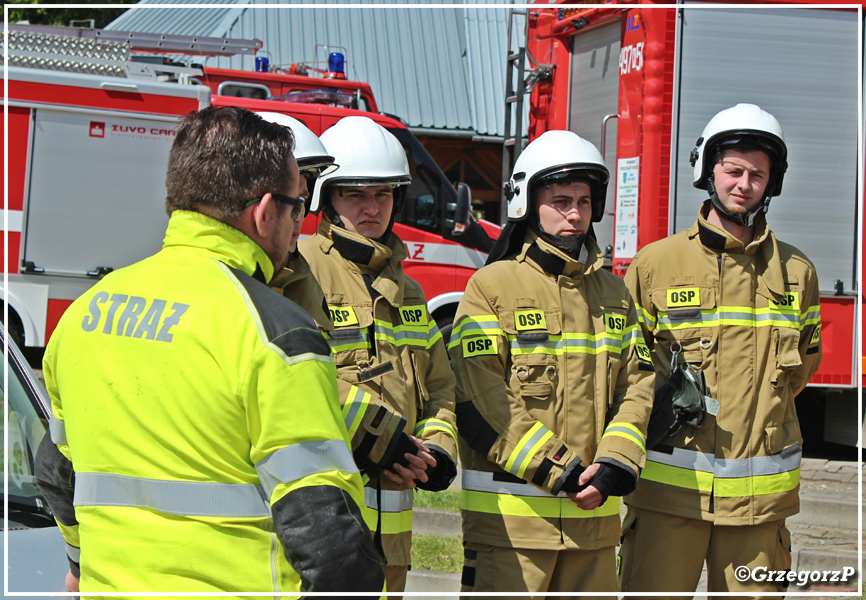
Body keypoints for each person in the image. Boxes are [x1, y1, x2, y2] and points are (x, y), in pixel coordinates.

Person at [34, 106, 384, 596]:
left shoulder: (84, 315)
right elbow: (330, 539)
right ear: (264, 212)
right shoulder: (275, 332)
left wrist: (81, 564)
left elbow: (57, 473)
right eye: (297, 207)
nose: (299, 224)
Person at [619, 103, 823, 596]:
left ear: (771, 183)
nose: (743, 184)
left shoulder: (798, 273)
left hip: (760, 509)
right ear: (707, 172)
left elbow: (801, 368)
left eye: (758, 174)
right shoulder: (655, 264)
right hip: (668, 499)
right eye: (733, 170)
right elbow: (628, 369)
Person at [449, 130, 654, 596]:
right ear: (526, 202)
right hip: (511, 534)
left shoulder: (616, 296)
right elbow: (480, 396)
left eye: (584, 201)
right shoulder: (490, 288)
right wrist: (557, 469)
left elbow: (639, 386)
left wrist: (616, 462)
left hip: (594, 531)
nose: (576, 214)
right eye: (561, 200)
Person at [292, 115, 459, 595]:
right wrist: (382, 437)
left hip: (396, 532)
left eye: (382, 194)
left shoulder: (408, 290)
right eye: (356, 195)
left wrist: (437, 453)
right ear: (326, 197)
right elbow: (301, 378)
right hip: (329, 523)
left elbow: (441, 385)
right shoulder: (301, 272)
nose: (372, 208)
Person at [257, 112, 336, 328]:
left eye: (304, 200)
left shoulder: (307, 281)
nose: (299, 216)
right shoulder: (226, 285)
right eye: (288, 202)